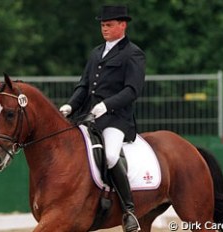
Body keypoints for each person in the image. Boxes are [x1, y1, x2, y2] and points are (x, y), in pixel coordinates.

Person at [59, 5, 145, 232]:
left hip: (117, 119)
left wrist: (106, 106)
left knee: (108, 155)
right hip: (88, 117)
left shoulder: (133, 53)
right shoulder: (96, 52)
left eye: (109, 25)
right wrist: (70, 105)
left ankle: (128, 211)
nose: (104, 29)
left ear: (122, 25)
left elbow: (132, 91)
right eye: (102, 25)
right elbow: (84, 85)